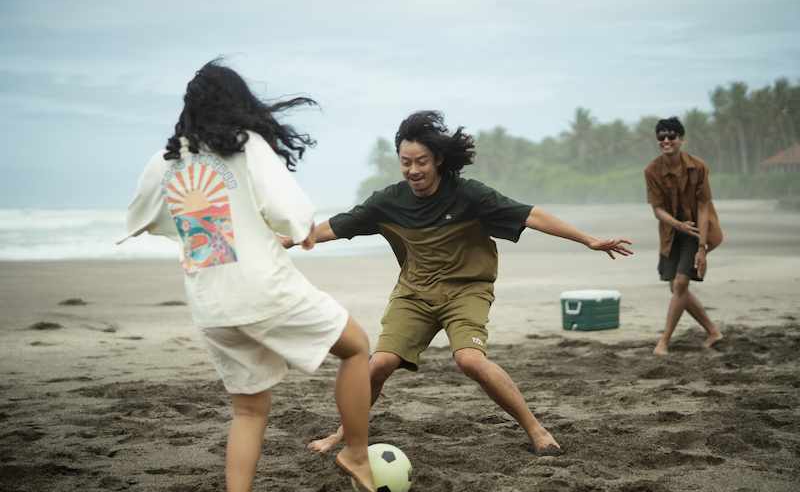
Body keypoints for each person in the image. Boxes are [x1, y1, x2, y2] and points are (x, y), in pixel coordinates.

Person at [117, 59, 377, 492]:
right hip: (263, 291)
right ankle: (356, 455)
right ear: (237, 104)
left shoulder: (166, 160)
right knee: (357, 348)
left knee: (250, 410)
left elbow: (141, 218)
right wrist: (303, 230)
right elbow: (289, 211)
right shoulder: (246, 146)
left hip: (211, 306)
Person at [285, 110, 634, 456]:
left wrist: (588, 240)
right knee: (379, 364)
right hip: (414, 295)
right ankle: (343, 433)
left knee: (470, 361)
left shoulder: (469, 195)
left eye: (421, 161)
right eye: (405, 162)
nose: (413, 170)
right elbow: (333, 227)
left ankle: (536, 429)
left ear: (437, 159)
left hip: (466, 292)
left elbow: (531, 215)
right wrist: (286, 241)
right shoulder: (388, 202)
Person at [644, 116, 724, 356]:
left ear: (681, 139)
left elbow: (703, 206)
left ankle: (664, 342)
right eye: (661, 136)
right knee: (675, 287)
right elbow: (657, 209)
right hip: (670, 232)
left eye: (671, 136)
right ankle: (713, 331)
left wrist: (702, 247)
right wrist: (677, 225)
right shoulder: (651, 170)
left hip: (696, 229)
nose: (666, 140)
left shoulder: (698, 166)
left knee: (681, 283)